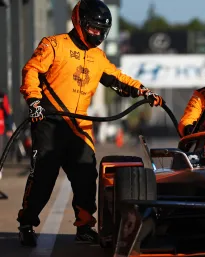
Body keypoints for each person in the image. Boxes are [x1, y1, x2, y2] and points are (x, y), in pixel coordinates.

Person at [17, 0, 163, 247]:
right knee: (43, 176)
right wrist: (33, 100)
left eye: (101, 30)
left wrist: (144, 91)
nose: (96, 34)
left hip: (80, 127)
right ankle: (27, 223)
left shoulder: (98, 57)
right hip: (49, 122)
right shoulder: (53, 45)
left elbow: (118, 78)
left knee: (86, 176)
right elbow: (31, 70)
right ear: (79, 22)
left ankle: (84, 227)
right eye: (92, 28)